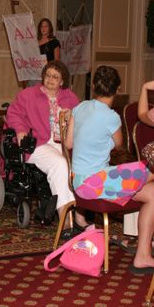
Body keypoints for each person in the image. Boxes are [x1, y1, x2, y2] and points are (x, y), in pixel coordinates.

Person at [66, 65, 154, 274]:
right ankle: (143, 254)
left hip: (78, 181)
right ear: (119, 89)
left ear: (94, 85)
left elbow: (69, 143)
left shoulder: (79, 108)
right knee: (147, 172)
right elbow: (119, 145)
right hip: (96, 184)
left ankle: (143, 254)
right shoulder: (111, 117)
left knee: (151, 191)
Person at [6, 60, 87, 235]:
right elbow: (13, 114)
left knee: (81, 167)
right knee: (59, 164)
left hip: (64, 143)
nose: (50, 79)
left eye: (55, 77)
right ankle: (66, 220)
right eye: (48, 75)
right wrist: (20, 131)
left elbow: (81, 120)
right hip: (38, 143)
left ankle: (81, 214)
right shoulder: (28, 95)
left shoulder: (70, 98)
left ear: (62, 81)